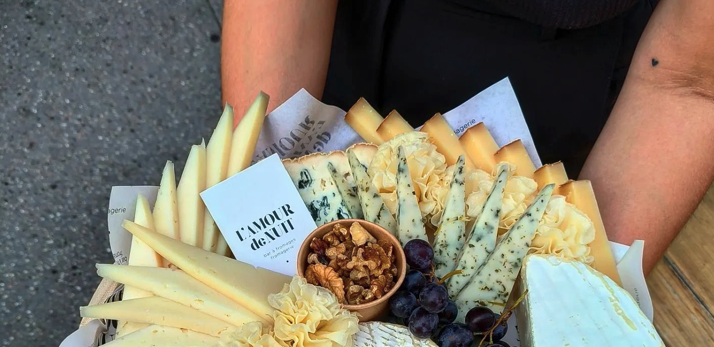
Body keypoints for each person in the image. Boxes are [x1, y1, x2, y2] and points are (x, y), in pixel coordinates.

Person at [221, 0, 714, 274]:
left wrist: (590, 291)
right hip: (339, 35)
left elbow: (689, 82)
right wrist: (256, 195)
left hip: (552, 77)